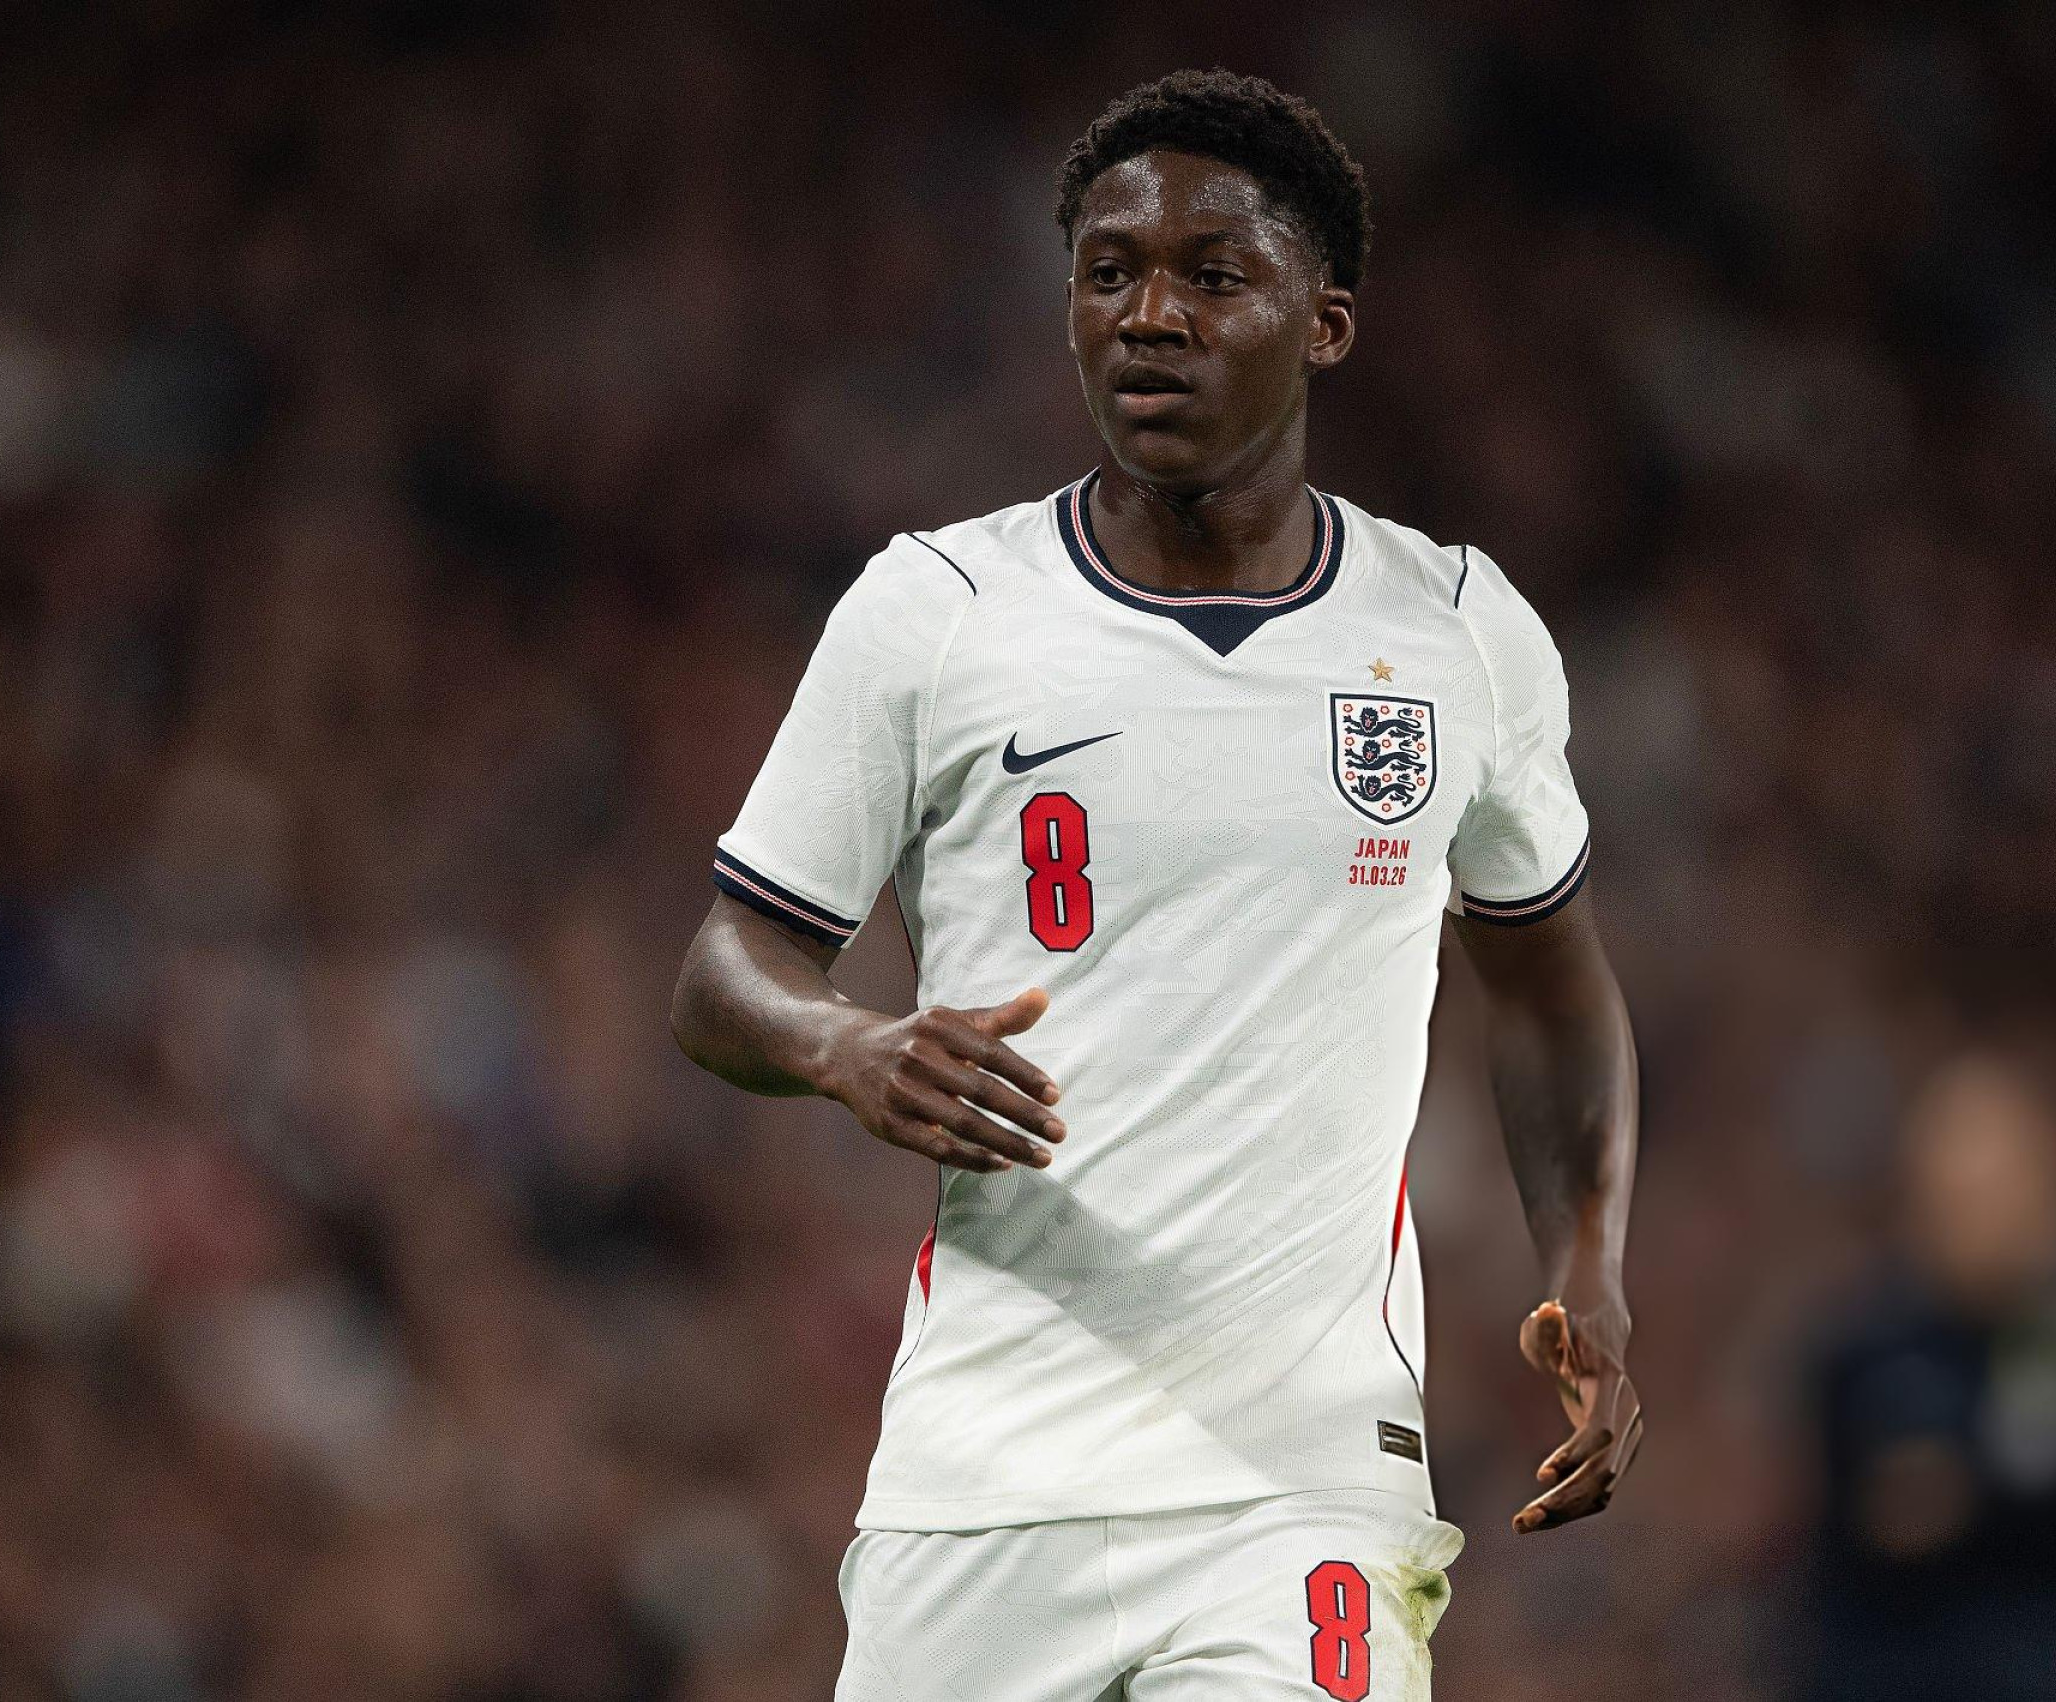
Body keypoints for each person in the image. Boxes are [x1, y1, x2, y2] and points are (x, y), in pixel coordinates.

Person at [671, 69, 1641, 1699]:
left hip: (1300, 1484)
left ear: (1324, 323)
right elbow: (723, 968)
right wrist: (844, 1044)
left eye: (1212, 274)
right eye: (1108, 272)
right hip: (987, 1472)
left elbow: (1550, 990)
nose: (1149, 315)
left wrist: (1588, 1261)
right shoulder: (936, 611)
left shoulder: (1457, 631)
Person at [1796, 1056, 2056, 1702]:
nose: (1980, 1218)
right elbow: (1841, 1523)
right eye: (1957, 1194)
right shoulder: (1860, 1348)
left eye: (2000, 1190)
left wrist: (1968, 1499)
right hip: (1882, 1663)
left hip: (2028, 1660)